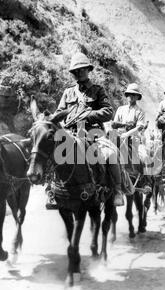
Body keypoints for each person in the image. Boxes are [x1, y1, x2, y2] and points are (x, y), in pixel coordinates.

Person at [52, 52, 125, 206]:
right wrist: (62, 117)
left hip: (94, 133)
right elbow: (58, 113)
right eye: (76, 71)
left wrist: (87, 115)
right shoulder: (68, 93)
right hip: (70, 132)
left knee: (110, 153)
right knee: (52, 153)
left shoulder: (98, 90)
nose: (79, 73)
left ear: (88, 70)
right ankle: (52, 191)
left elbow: (108, 112)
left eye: (82, 70)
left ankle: (117, 190)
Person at [111, 83, 146, 173]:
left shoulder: (140, 111)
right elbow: (114, 124)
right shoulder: (120, 109)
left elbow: (139, 127)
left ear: (137, 97)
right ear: (127, 95)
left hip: (132, 138)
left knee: (141, 157)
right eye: (129, 94)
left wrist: (127, 134)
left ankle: (144, 179)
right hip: (119, 136)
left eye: (134, 95)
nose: (131, 96)